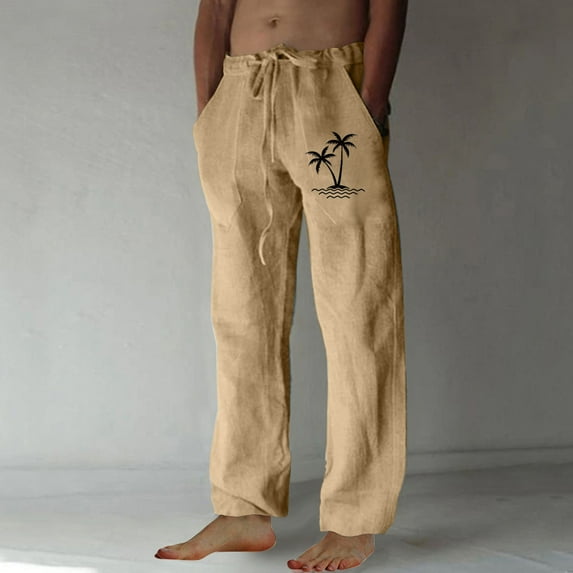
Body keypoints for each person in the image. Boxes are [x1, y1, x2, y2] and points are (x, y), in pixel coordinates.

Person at [155, 0, 408, 570]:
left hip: (332, 93)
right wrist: (209, 110)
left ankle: (355, 519)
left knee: (359, 309)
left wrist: (369, 102)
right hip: (240, 96)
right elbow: (216, 10)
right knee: (242, 313)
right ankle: (243, 508)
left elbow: (389, 5)